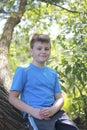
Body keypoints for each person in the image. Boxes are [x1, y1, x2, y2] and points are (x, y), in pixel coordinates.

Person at [9, 34, 79, 130]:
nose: (43, 51)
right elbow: (12, 98)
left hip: (55, 113)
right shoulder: (23, 70)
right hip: (35, 114)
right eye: (39, 48)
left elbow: (60, 98)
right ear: (31, 51)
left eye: (46, 49)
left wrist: (53, 109)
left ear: (50, 51)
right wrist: (33, 111)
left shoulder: (52, 73)